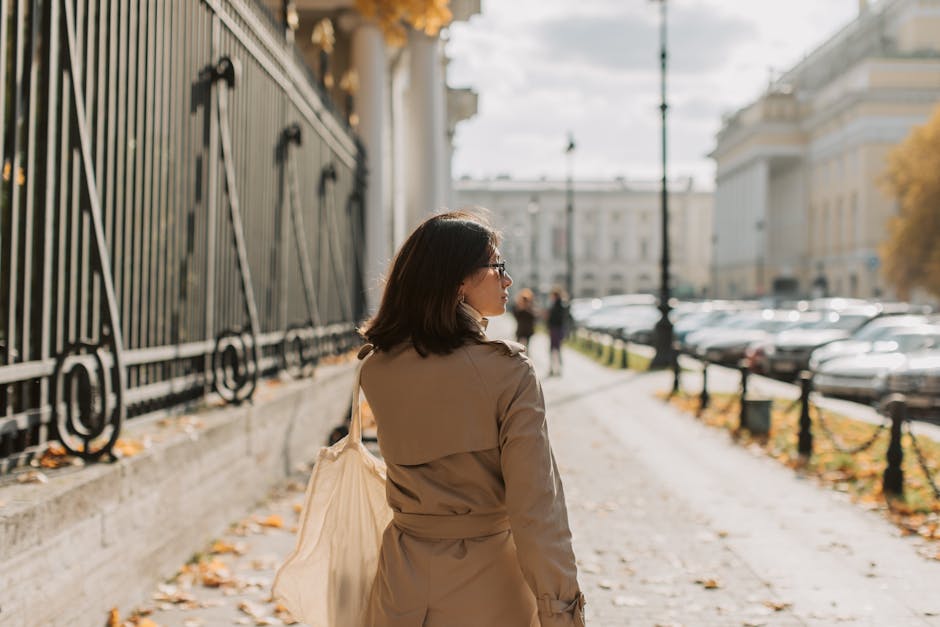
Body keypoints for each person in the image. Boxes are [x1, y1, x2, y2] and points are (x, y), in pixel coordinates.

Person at [358, 211, 585, 626]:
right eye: (497, 266)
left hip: (401, 586)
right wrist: (562, 609)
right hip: (489, 589)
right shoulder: (508, 371)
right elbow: (536, 507)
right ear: (459, 280)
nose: (507, 280)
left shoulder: (376, 368)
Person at [546, 288, 570, 377]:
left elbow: (555, 319)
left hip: (556, 329)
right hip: (558, 329)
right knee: (557, 350)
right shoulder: (560, 304)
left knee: (554, 350)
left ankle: (555, 368)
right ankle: (556, 368)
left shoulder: (558, 305)